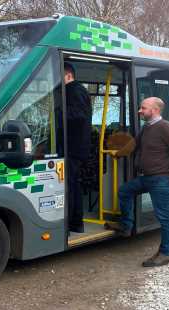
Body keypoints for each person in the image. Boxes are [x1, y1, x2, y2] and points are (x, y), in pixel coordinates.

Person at [105, 97, 169, 267]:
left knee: (166, 218)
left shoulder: (167, 127)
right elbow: (134, 144)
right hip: (147, 178)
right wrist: (117, 154)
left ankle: (166, 253)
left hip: (162, 179)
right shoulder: (147, 127)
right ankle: (126, 226)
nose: (140, 111)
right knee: (125, 191)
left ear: (155, 110)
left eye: (143, 108)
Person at [64, 63, 92, 233]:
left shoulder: (74, 90)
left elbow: (78, 115)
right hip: (75, 146)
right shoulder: (75, 90)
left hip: (73, 147)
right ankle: (75, 223)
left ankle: (74, 222)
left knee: (71, 185)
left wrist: (56, 113)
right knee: (72, 184)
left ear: (68, 75)